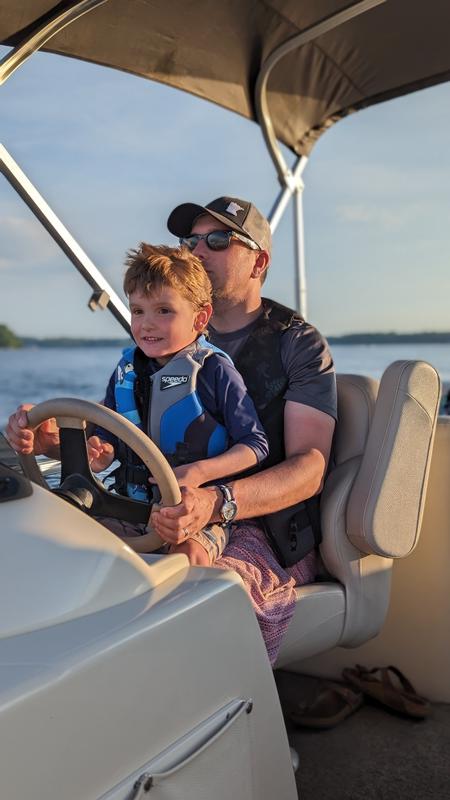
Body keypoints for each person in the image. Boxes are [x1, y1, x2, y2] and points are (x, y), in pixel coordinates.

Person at [7, 197, 337, 665]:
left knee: (188, 599)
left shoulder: (297, 343)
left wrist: (215, 500)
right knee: (50, 552)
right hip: (152, 505)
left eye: (218, 240)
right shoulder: (151, 347)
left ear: (259, 261)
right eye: (191, 240)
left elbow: (310, 469)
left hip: (263, 526)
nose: (199, 249)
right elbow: (113, 439)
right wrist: (52, 443)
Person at [7, 243, 269, 565]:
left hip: (194, 513)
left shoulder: (215, 372)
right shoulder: (125, 372)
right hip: (126, 505)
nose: (146, 324)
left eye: (164, 311)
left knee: (187, 559)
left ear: (200, 317)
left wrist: (198, 472)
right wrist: (98, 450)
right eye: (138, 311)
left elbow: (255, 445)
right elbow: (111, 434)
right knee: (68, 546)